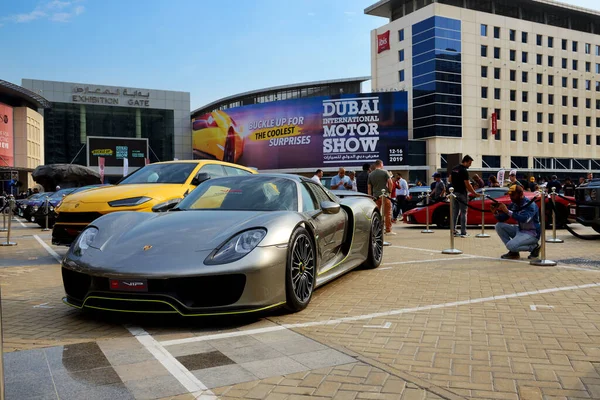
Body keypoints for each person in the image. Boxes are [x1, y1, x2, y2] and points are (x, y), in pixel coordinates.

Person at [492, 185, 541, 260]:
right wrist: (496, 213)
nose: (511, 197)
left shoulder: (530, 204)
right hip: (520, 230)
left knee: (510, 246)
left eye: (513, 195)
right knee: (499, 226)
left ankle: (534, 247)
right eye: (510, 195)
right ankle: (514, 252)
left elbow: (525, 219)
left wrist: (508, 211)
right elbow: (503, 218)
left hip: (532, 233)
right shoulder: (514, 204)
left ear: (521, 194)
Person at [448, 155, 480, 237]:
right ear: (465, 161)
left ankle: (453, 230)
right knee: (463, 212)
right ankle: (463, 232)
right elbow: (467, 184)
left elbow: (449, 180)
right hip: (462, 193)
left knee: (455, 212)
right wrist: (474, 193)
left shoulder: (454, 168)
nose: (470, 165)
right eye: (469, 163)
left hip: (454, 193)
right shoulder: (464, 171)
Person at [368, 160, 395, 235]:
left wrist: (370, 197)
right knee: (387, 213)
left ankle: (377, 229)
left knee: (376, 213)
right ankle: (388, 229)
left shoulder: (371, 174)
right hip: (385, 195)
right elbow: (390, 183)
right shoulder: (385, 172)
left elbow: (369, 187)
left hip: (375, 196)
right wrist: (389, 192)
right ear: (381, 164)